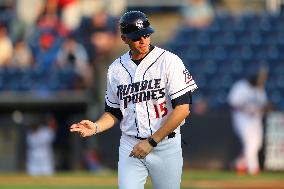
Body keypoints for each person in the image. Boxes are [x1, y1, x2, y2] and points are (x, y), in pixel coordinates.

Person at [70, 11, 198, 189]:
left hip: (165, 144)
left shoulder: (169, 61)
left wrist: (152, 141)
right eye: (137, 37)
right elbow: (113, 112)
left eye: (146, 34)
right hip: (131, 143)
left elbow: (183, 109)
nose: (143, 40)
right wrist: (96, 127)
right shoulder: (116, 69)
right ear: (124, 39)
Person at [228, 68, 268, 176]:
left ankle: (239, 164)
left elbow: (264, 104)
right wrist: (247, 108)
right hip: (242, 118)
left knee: (257, 144)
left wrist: (262, 108)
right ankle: (253, 168)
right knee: (250, 143)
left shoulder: (260, 89)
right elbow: (232, 104)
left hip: (255, 119)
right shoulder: (241, 87)